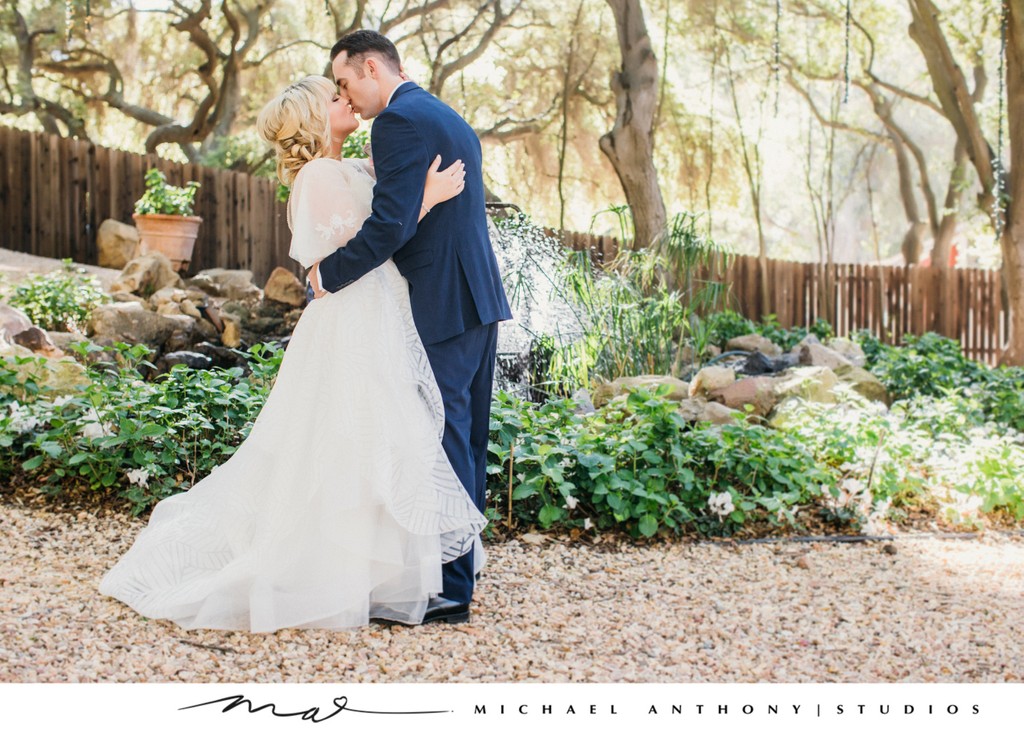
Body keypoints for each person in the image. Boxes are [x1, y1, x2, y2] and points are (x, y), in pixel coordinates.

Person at [97, 75, 485, 632]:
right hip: (353, 322)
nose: (346, 100)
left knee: (381, 439)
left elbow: (380, 210)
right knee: (353, 440)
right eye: (335, 98)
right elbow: (370, 244)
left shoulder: (346, 168)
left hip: (377, 317)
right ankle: (333, 570)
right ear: (314, 120)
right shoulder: (320, 176)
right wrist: (428, 198)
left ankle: (380, 571)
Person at [308, 29, 511, 625]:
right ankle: (460, 568)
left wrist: (328, 275)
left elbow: (389, 227)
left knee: (443, 435)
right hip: (475, 296)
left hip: (443, 301)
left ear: (371, 67)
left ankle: (449, 591)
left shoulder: (396, 123)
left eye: (346, 82)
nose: (348, 95)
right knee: (466, 435)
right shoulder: (443, 114)